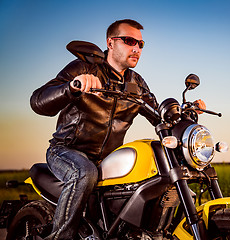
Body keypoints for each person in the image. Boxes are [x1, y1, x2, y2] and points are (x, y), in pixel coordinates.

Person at [30, 19, 159, 239]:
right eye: (129, 41)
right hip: (67, 151)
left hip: (107, 158)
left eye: (140, 44)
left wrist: (183, 113)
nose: (136, 48)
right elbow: (38, 101)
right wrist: (72, 87)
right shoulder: (84, 68)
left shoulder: (137, 84)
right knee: (84, 172)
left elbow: (157, 114)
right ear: (111, 42)